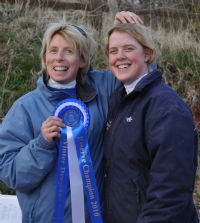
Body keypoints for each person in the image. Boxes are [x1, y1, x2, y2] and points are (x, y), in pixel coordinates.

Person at [0, 12, 142, 223]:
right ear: (44, 58)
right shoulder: (24, 107)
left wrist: (130, 35)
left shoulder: (102, 89)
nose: (59, 58)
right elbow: (11, 173)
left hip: (95, 217)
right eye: (53, 51)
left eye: (69, 51)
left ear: (82, 59)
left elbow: (139, 77)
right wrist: (42, 144)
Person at [103, 23, 199, 223]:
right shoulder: (120, 102)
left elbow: (170, 190)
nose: (120, 56)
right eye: (113, 51)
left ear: (147, 54)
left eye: (129, 48)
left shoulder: (166, 108)